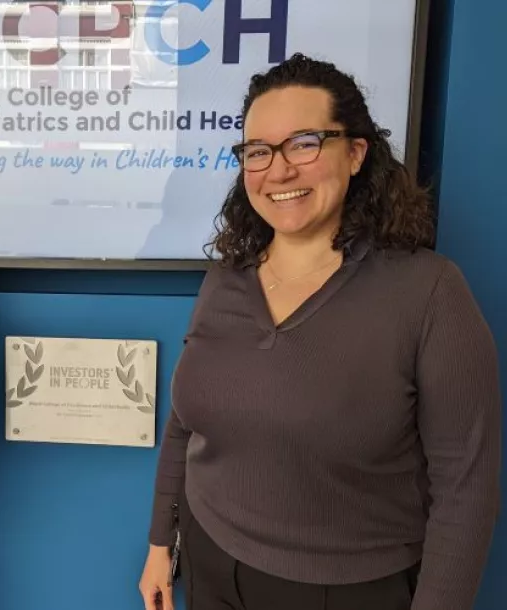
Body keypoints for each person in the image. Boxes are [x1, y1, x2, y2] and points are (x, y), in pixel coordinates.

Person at [139, 53, 501, 610]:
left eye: (304, 143)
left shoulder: (429, 293)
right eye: (258, 151)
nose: (278, 170)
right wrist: (162, 542)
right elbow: (185, 422)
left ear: (356, 153)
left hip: (350, 590)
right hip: (213, 565)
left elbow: (467, 489)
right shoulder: (226, 279)